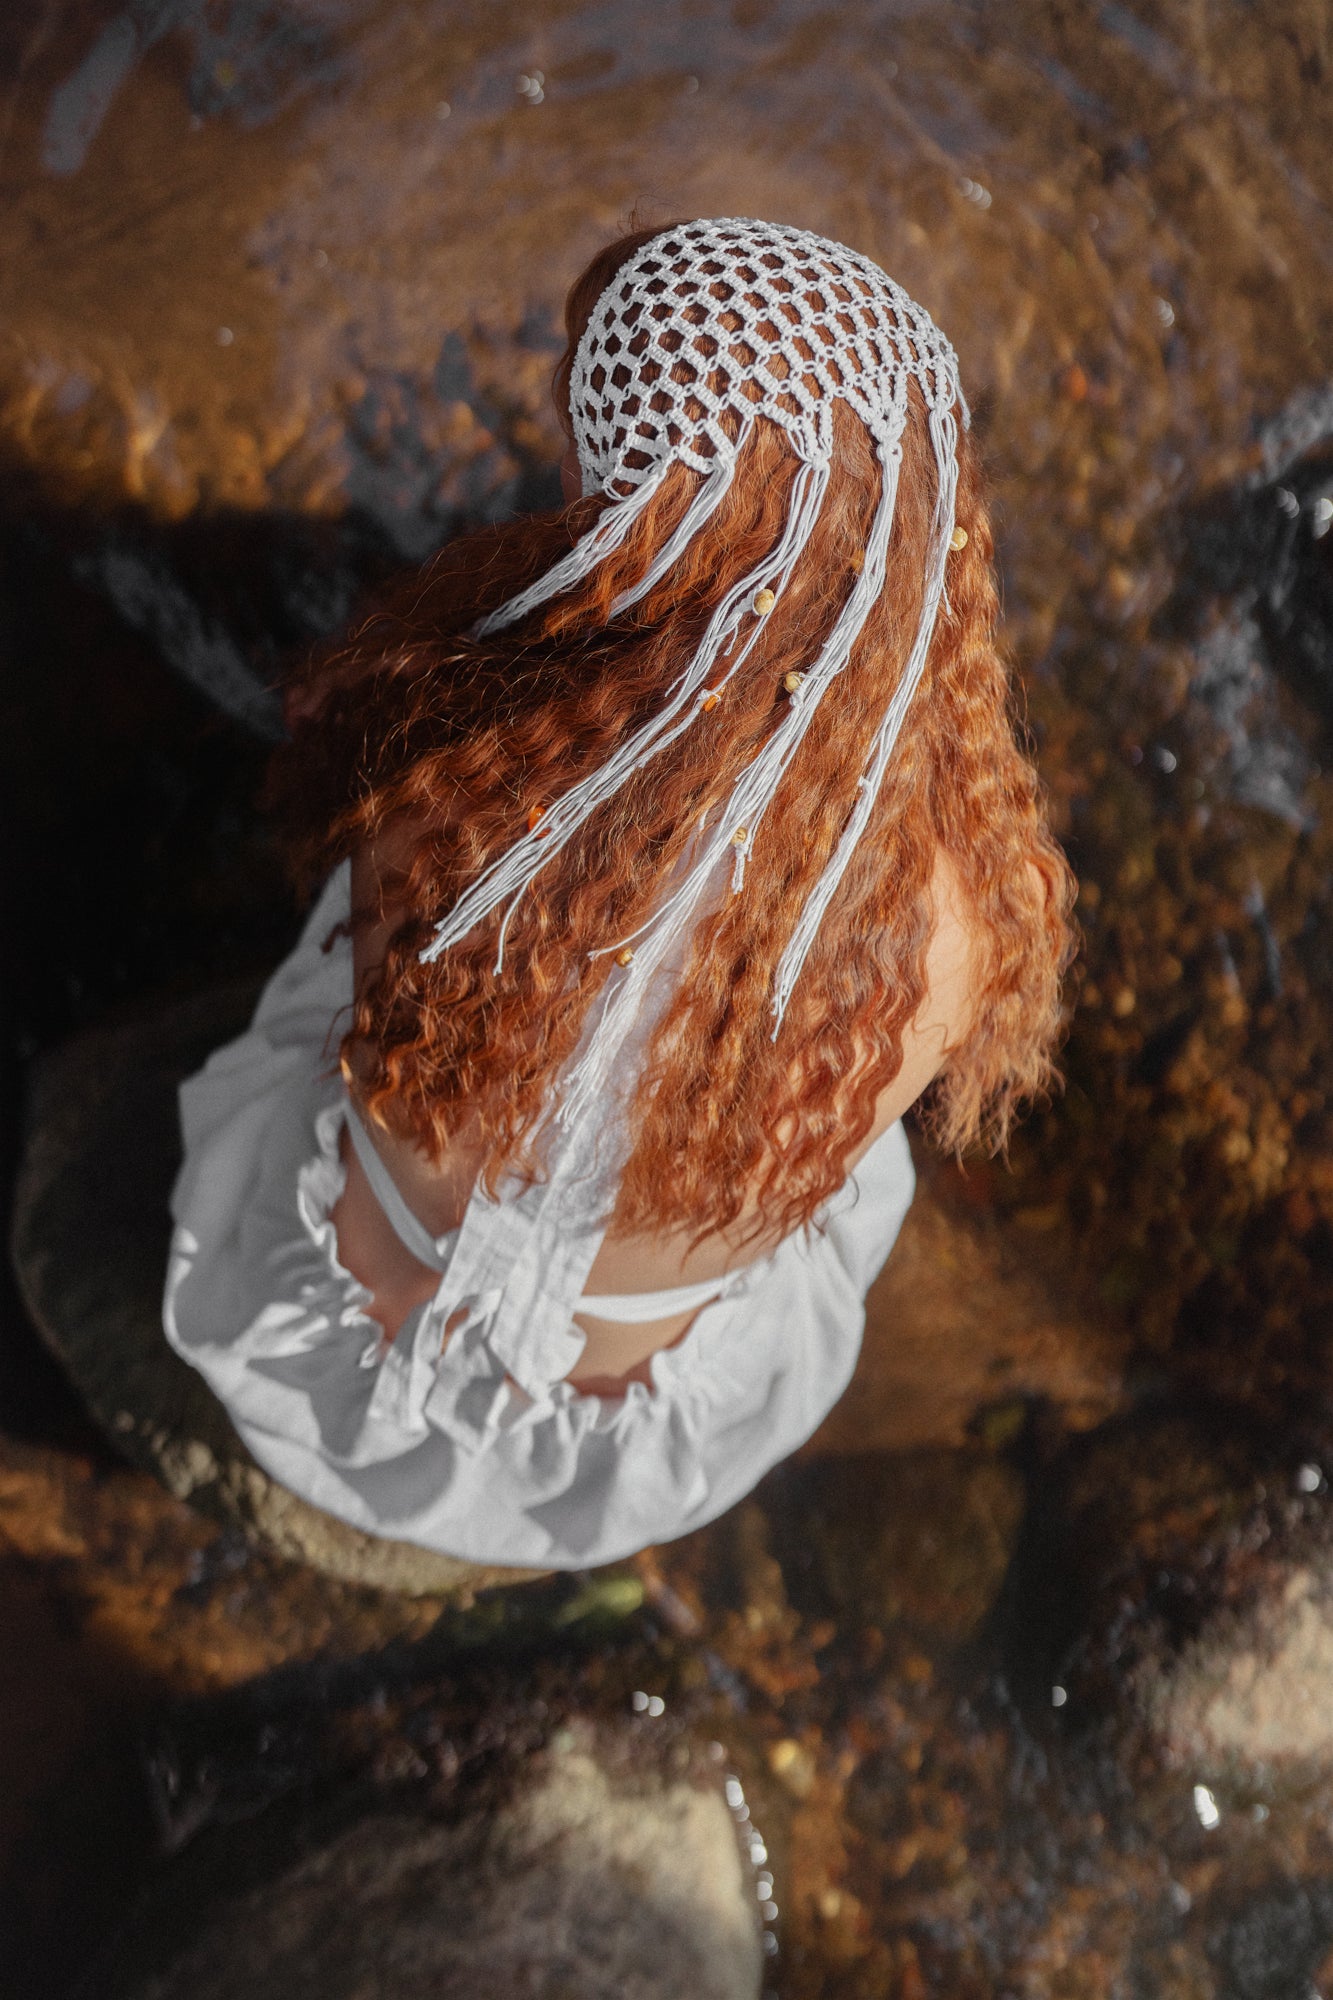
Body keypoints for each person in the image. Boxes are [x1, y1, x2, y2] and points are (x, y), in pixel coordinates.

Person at [164, 218, 1075, 1569]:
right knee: (814, 1112)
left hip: (342, 1337)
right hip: (614, 1420)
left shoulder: (459, 789)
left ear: (641, 511)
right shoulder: (948, 931)